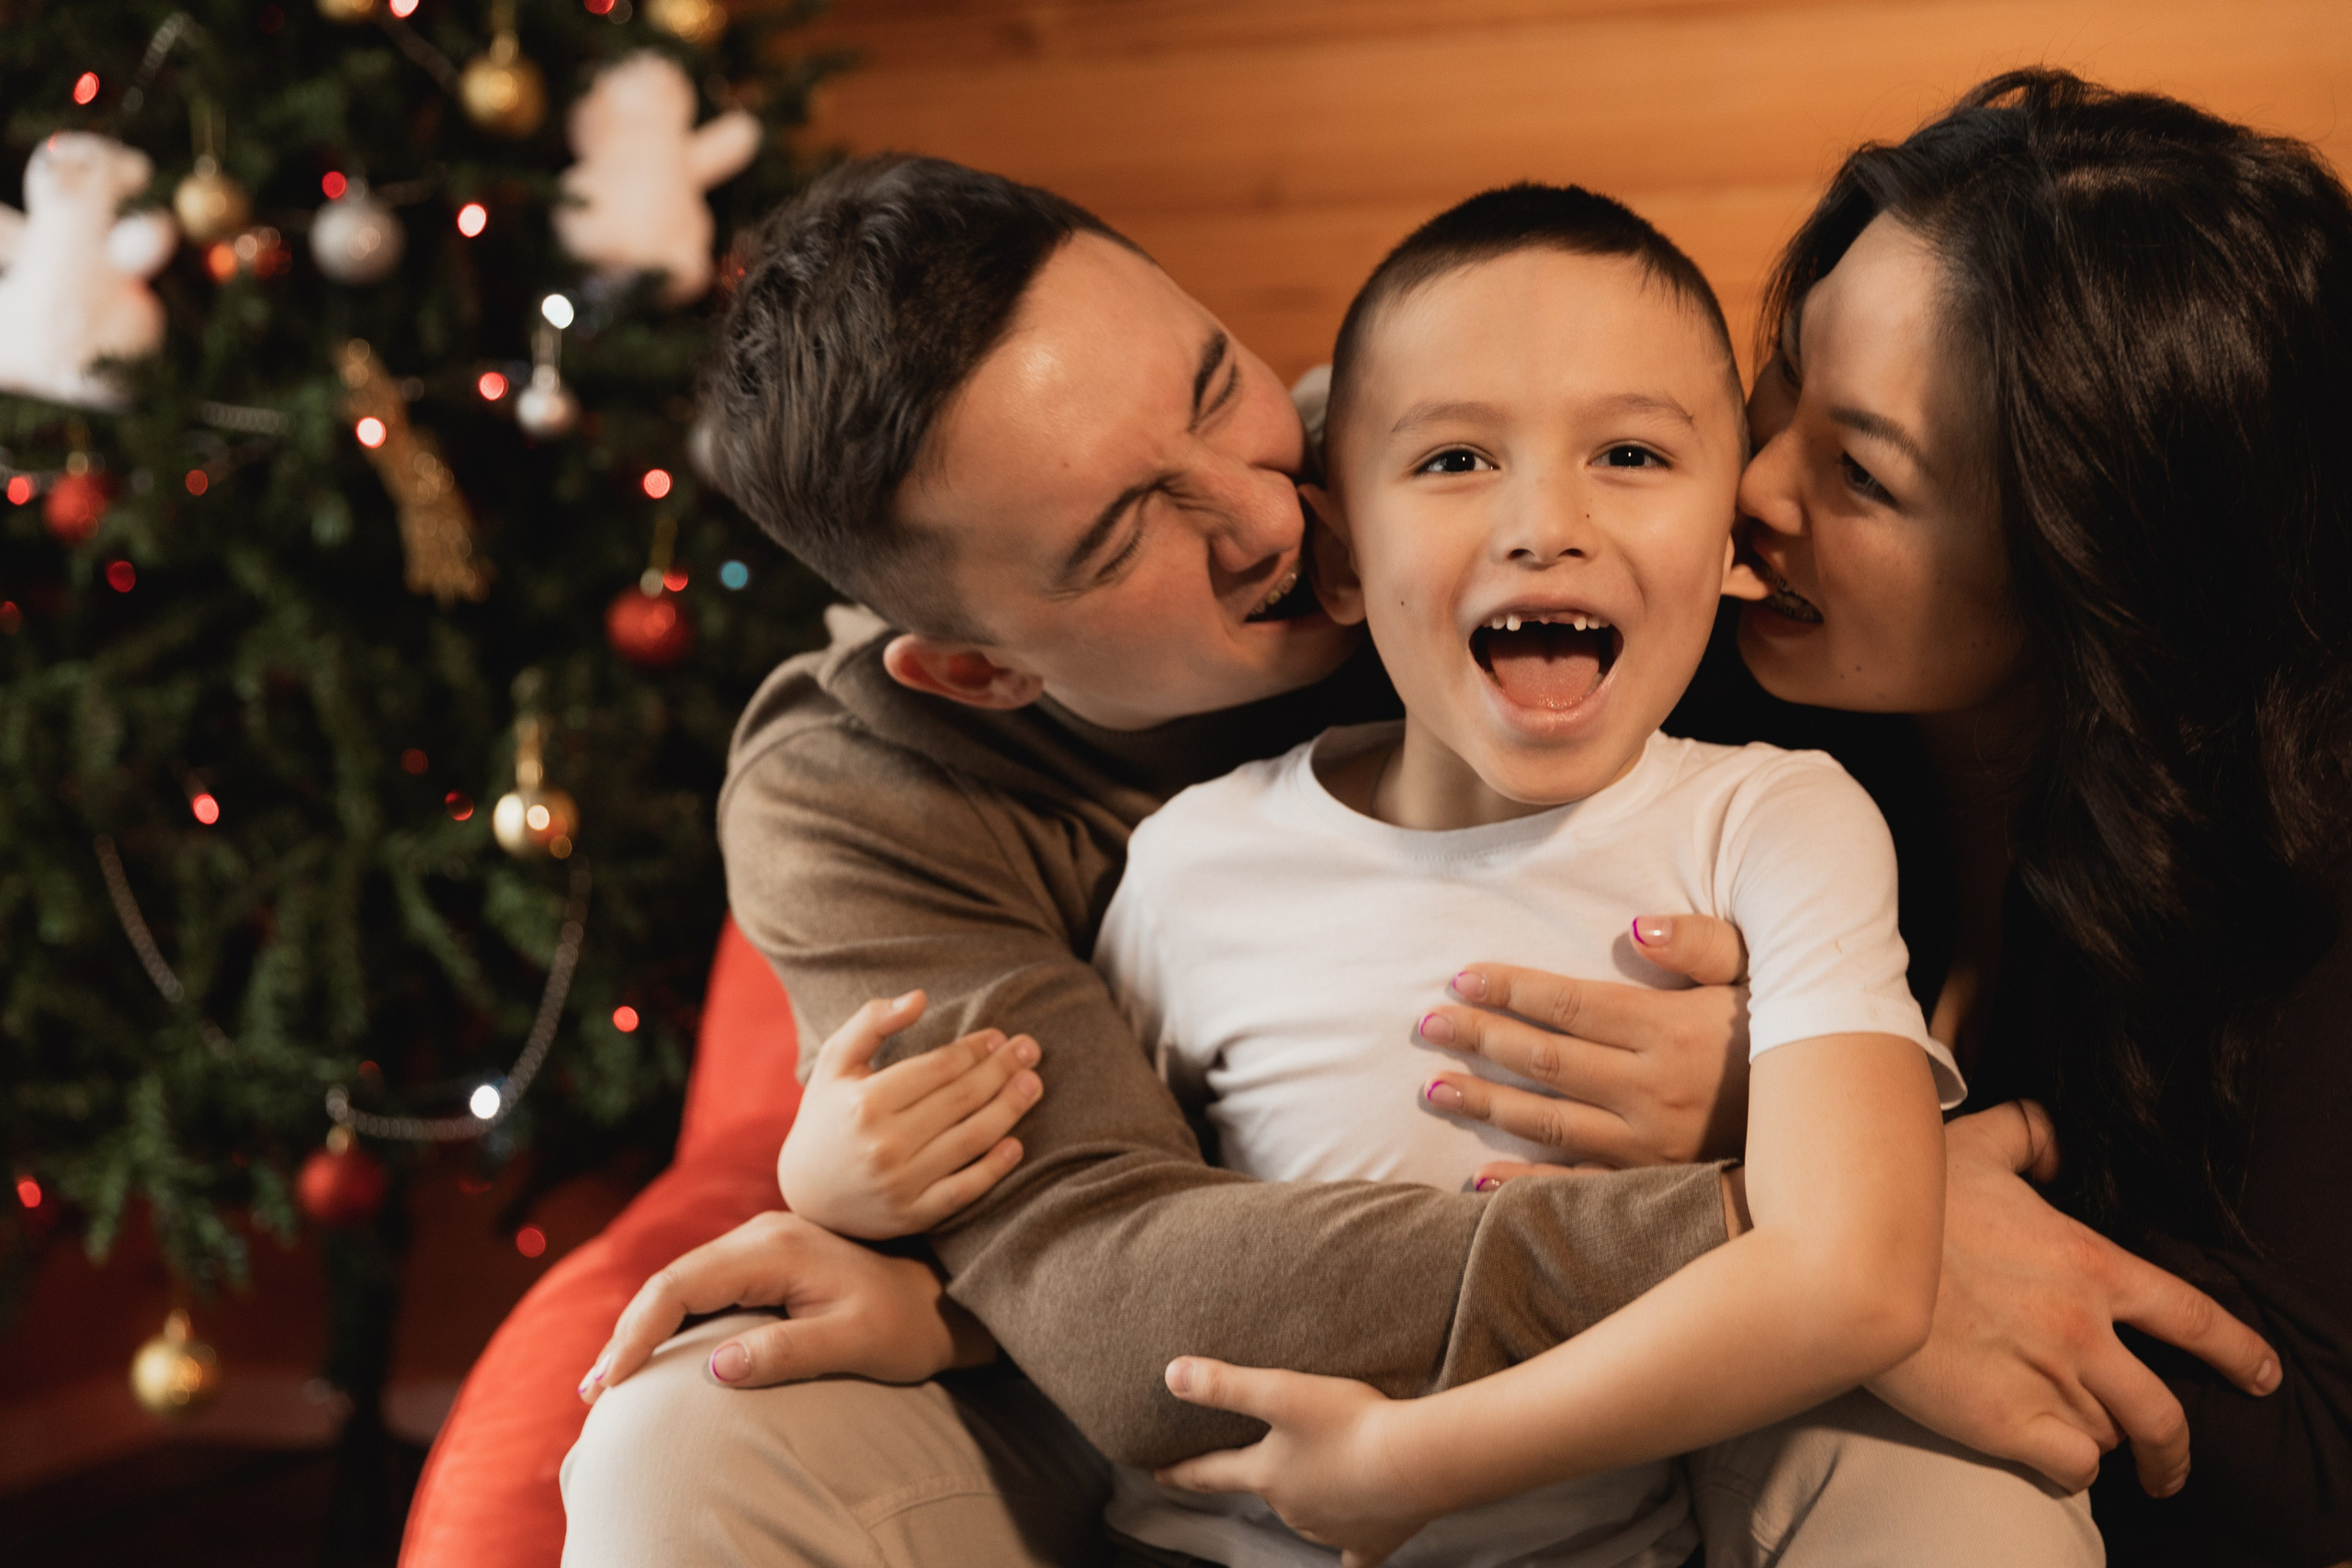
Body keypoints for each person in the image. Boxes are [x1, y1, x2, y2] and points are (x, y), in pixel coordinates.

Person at [558, 131, 2281, 1566]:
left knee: (1943, 1464)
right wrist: (1807, 1217)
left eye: (1219, 391)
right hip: (1207, 1432)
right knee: (672, 1448)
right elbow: (1105, 1286)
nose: (1268, 512)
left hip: (1663, 1431)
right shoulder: (872, 804)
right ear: (980, 669)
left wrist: (1810, 1144)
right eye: (1121, 535)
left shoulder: (1483, 483)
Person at [1163, 72, 2352, 1568]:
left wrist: (1825, 1169)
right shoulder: (1641, 663)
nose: (1753, 487)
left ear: (2087, 570)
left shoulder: (2293, 868)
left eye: (1861, 471)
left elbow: (2313, 1463)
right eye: (1781, 382)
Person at [1095, 181, 1976, 1567]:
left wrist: (1404, 1465)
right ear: (1342, 553)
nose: (1545, 523)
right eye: (1455, 460)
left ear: (1729, 535)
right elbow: (1097, 1226)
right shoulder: (1192, 864)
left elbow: (1855, 1277)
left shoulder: (1776, 824)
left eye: (1630, 453)